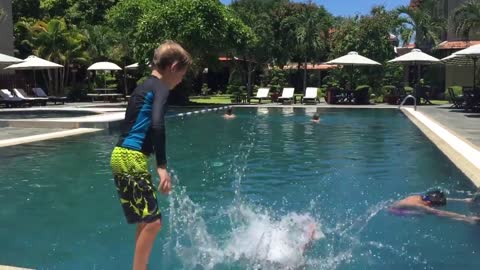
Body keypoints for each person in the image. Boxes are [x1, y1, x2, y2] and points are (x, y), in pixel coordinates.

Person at [110, 41, 192, 270]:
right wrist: (162, 165)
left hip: (120, 156)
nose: (181, 80)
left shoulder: (143, 86)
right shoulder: (160, 88)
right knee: (154, 222)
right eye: (182, 74)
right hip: (131, 157)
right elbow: (157, 124)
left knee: (145, 221)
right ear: (173, 66)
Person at [389, 189, 480, 224]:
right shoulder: (420, 206)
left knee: (427, 211)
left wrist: (463, 200)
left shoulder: (423, 197)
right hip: (395, 211)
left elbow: (439, 200)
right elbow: (440, 213)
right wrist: (465, 217)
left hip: (396, 205)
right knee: (421, 214)